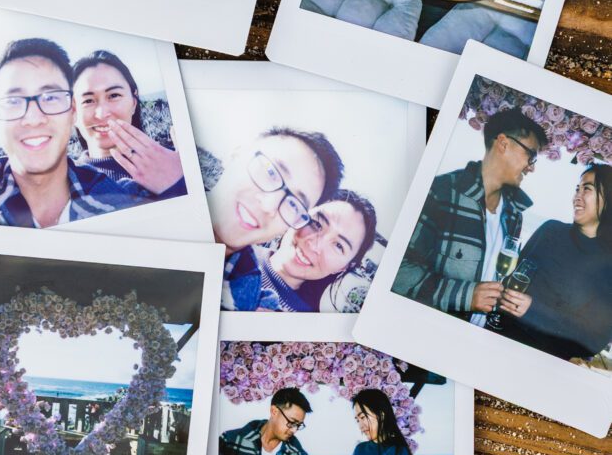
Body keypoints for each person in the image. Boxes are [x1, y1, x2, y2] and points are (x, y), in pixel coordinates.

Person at [0, 38, 151, 227]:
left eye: (50, 97)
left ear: (72, 111)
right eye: (12, 101)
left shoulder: (122, 200)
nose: (33, 118)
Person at [392, 107, 549, 323]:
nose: (531, 168)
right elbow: (398, 272)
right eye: (531, 155)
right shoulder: (440, 192)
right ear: (503, 144)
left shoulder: (514, 214)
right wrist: (466, 296)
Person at [207, 127, 344, 310]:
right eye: (270, 172)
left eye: (294, 204)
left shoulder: (252, 305)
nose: (269, 206)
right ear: (237, 154)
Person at [499, 163, 612, 361]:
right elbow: (514, 278)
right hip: (499, 336)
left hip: (546, 364)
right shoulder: (550, 230)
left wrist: (533, 311)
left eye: (587, 189)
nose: (577, 196)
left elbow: (594, 340)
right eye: (577, 188)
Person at [72, 49, 185, 200]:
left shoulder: (174, 163)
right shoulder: (65, 184)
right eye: (88, 101)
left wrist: (178, 184)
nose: (101, 114)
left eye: (113, 95)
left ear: (133, 101)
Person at [258, 190, 378, 312]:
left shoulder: (305, 327)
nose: (315, 246)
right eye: (316, 223)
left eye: (338, 246)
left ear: (343, 267)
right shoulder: (241, 249)